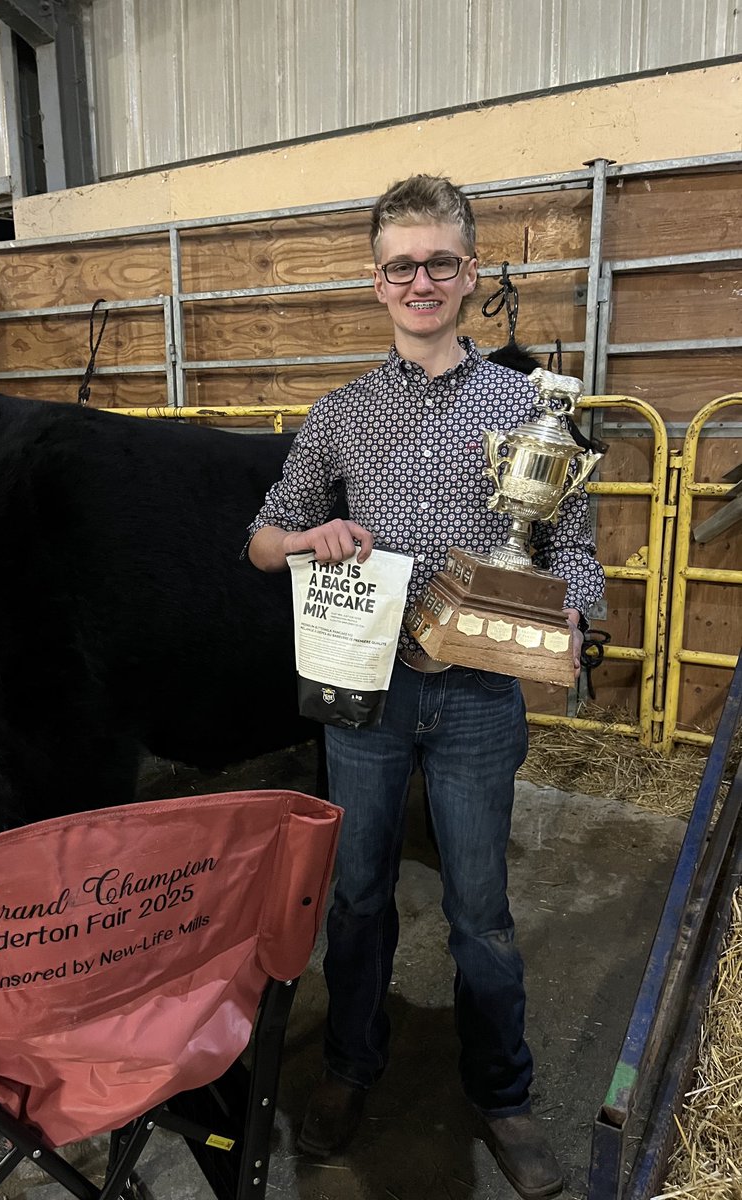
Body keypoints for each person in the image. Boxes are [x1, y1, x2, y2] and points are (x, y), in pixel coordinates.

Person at [245, 174, 605, 1199]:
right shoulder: (341, 416)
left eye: (440, 261)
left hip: (481, 695)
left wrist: (574, 611)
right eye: (401, 264)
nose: (421, 280)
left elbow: (574, 548)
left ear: (470, 274)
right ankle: (352, 1066)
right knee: (357, 897)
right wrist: (304, 535)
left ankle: (503, 1093)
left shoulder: (527, 408)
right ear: (377, 281)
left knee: (481, 908)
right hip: (366, 693)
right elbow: (263, 537)